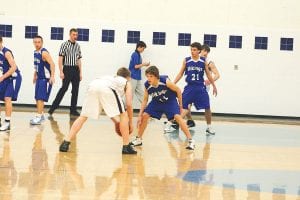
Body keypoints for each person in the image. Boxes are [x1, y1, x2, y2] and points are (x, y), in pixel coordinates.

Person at [59, 67, 136, 154]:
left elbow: (106, 106)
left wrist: (116, 122)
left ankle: (65, 142)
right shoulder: (126, 82)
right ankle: (126, 146)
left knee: (83, 117)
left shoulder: (110, 78)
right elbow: (129, 104)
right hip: (106, 88)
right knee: (123, 114)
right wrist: (130, 123)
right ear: (128, 77)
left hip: (92, 85)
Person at [130, 66, 195, 150]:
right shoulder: (147, 85)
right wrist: (139, 115)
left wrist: (181, 106)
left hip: (170, 101)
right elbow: (145, 100)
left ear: (156, 76)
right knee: (145, 115)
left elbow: (178, 90)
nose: (148, 78)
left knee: (178, 117)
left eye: (151, 76)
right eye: (147, 76)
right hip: (157, 102)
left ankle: (191, 140)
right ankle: (139, 139)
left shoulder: (165, 81)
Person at [166, 44, 220, 133]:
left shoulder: (203, 61)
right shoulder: (186, 60)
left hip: (200, 88)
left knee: (207, 107)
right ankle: (172, 124)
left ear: (199, 51)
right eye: (191, 50)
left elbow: (209, 74)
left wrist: (214, 86)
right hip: (189, 87)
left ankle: (209, 127)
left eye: (194, 50)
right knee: (183, 107)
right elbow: (180, 74)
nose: (192, 51)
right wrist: (173, 84)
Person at [48, 28, 82, 116]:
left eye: (76, 35)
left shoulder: (78, 45)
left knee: (75, 90)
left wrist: (80, 72)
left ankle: (73, 110)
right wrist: (61, 71)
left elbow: (79, 60)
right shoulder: (64, 45)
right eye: (74, 35)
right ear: (70, 35)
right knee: (64, 88)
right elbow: (60, 59)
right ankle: (52, 108)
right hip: (67, 69)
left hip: (75, 69)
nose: (75, 36)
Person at [30, 35, 55, 125]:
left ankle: (39, 116)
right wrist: (35, 75)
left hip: (45, 79)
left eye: (38, 42)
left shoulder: (44, 53)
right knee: (37, 98)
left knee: (40, 98)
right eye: (35, 42)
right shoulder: (35, 52)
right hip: (39, 78)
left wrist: (52, 76)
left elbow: (52, 64)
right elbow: (37, 65)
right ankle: (40, 115)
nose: (37, 44)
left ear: (42, 42)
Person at [0, 36, 22, 131]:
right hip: (4, 78)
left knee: (7, 99)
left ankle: (7, 123)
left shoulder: (6, 52)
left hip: (12, 78)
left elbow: (14, 67)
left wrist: (3, 77)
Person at [128, 41, 150, 105]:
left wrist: (143, 64)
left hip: (137, 77)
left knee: (141, 93)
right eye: (143, 49)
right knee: (130, 93)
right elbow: (135, 66)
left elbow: (137, 66)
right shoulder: (135, 54)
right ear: (139, 47)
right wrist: (144, 64)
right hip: (133, 76)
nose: (143, 50)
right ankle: (125, 109)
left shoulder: (138, 54)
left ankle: (146, 107)